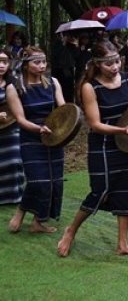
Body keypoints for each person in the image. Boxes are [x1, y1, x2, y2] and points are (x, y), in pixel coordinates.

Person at [56, 41, 128, 257]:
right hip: (102, 144)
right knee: (101, 191)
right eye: (109, 63)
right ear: (96, 64)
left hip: (126, 143)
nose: (115, 67)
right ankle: (70, 230)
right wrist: (122, 130)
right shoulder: (89, 87)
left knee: (126, 191)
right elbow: (95, 124)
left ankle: (122, 244)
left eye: (117, 61)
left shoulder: (127, 79)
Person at [6, 47, 67, 234]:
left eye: (43, 62)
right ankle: (21, 211)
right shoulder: (14, 87)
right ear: (26, 65)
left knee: (54, 182)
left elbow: (64, 109)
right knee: (38, 181)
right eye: (36, 62)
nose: (42, 66)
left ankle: (38, 222)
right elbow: (21, 119)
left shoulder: (53, 83)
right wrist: (39, 129)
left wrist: (67, 126)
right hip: (31, 138)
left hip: (54, 137)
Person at [0, 48, 23, 205]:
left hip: (12, 130)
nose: (1, 65)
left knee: (14, 162)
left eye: (4, 62)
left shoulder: (14, 83)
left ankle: (15, 197)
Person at [50, 33, 79, 103]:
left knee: (69, 90)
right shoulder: (57, 44)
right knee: (60, 89)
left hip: (69, 70)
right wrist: (62, 43)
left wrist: (76, 45)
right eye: (65, 35)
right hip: (59, 70)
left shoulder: (71, 45)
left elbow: (76, 56)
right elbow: (55, 56)